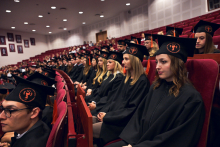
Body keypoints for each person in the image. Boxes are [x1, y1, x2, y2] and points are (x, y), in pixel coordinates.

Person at [106, 35, 205, 147]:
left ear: (177, 64)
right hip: (139, 140)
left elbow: (178, 137)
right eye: (157, 62)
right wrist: (131, 142)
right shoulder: (155, 87)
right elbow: (139, 118)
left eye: (163, 62)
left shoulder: (191, 98)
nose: (157, 66)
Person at [93, 43, 150, 146]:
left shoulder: (142, 82)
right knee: (89, 122)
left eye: (126, 59)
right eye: (123, 59)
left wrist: (108, 116)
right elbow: (114, 99)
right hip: (114, 116)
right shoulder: (126, 78)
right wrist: (105, 112)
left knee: (91, 129)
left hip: (124, 123)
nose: (123, 62)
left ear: (135, 61)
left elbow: (132, 110)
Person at [0, 75, 55, 147]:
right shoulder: (36, 129)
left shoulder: (34, 143)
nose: (1, 116)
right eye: (3, 108)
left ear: (34, 113)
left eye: (10, 110)